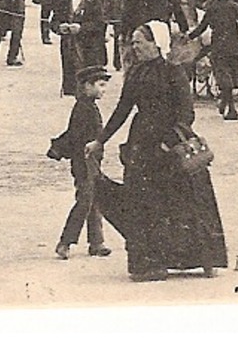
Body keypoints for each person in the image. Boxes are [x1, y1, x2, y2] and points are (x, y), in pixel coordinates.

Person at [88, 22, 228, 282]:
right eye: (133, 42)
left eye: (140, 41)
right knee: (144, 205)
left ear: (156, 43)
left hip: (170, 148)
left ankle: (202, 261)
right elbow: (122, 109)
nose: (135, 47)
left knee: (183, 204)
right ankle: (150, 265)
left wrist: (168, 141)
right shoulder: (136, 73)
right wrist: (100, 140)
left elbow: (187, 113)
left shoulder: (173, 72)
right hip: (141, 145)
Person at [52, 65, 111, 260]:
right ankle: (66, 241)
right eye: (100, 85)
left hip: (91, 161)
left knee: (94, 198)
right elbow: (75, 136)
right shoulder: (83, 108)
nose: (104, 89)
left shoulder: (87, 106)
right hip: (84, 162)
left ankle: (96, 242)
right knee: (86, 200)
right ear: (87, 86)